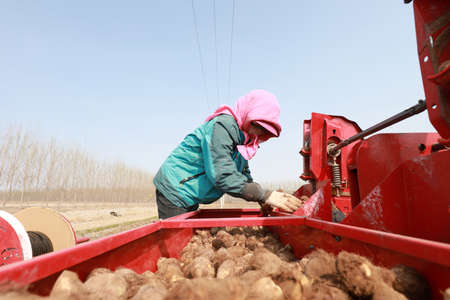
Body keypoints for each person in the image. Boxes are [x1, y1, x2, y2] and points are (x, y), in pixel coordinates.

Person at [153, 89, 303, 219]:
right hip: (176, 188)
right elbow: (221, 174)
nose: (257, 132)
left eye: (264, 130)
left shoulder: (245, 140)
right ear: (247, 114)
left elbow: (243, 173)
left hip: (189, 192)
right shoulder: (222, 126)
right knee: (178, 243)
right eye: (256, 125)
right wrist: (264, 194)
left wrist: (263, 200)